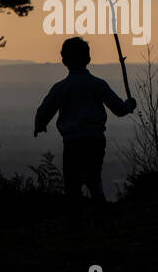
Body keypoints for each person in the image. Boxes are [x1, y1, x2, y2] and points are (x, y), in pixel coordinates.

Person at [34, 36, 136, 207]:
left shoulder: (61, 88)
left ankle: (75, 222)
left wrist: (40, 125)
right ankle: (101, 216)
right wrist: (130, 104)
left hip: (72, 142)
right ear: (88, 59)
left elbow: (44, 111)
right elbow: (119, 109)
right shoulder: (98, 85)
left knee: (72, 184)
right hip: (95, 141)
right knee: (94, 179)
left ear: (64, 60)